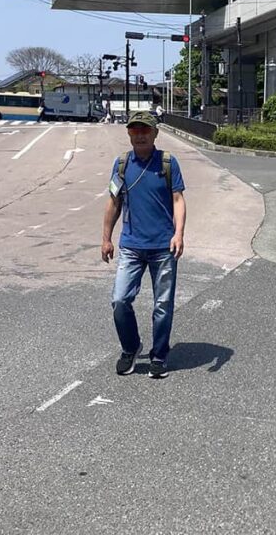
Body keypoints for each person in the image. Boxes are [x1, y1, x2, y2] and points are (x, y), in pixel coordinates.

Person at [101, 110, 186, 379]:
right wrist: (106, 238)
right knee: (119, 300)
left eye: (145, 130)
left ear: (155, 133)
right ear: (128, 133)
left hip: (163, 246)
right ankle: (131, 348)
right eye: (134, 130)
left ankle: (159, 356)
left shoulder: (168, 163)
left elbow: (178, 200)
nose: (140, 135)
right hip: (131, 246)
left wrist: (179, 233)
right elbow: (114, 202)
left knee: (163, 304)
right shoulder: (122, 164)